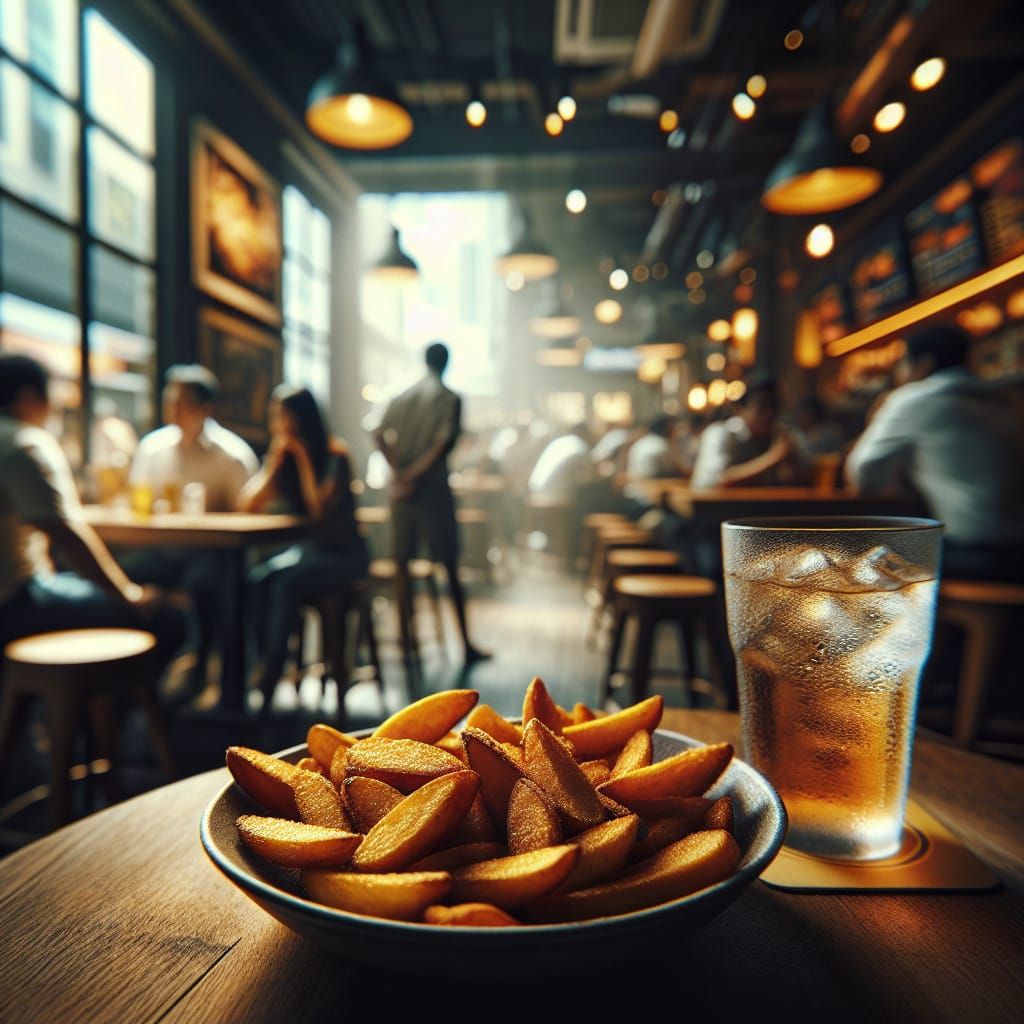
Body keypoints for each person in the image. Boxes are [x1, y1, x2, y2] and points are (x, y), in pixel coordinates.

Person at [0, 354, 186, 669]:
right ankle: (103, 699)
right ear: (29, 397)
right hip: (14, 601)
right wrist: (129, 595)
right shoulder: (24, 442)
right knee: (167, 617)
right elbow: (66, 535)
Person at [845, 326, 1024, 581]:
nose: (898, 373)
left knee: (865, 565)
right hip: (1017, 553)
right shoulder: (1007, 398)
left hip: (973, 555)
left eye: (902, 363)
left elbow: (863, 472)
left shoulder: (913, 398)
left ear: (924, 363)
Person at [122, 365, 258, 697]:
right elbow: (136, 499)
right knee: (119, 576)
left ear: (205, 408)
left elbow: (249, 516)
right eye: (169, 401)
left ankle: (212, 675)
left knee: (209, 582)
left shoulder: (232, 455)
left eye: (181, 403)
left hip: (210, 554)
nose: (173, 409)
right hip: (162, 551)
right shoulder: (152, 448)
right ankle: (130, 679)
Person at [239, 385, 370, 709]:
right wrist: (273, 464)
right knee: (258, 578)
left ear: (303, 418)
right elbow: (247, 505)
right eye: (275, 416)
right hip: (311, 553)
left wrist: (302, 458)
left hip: (345, 555)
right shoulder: (282, 460)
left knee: (285, 584)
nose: (279, 424)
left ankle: (271, 676)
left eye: (285, 416)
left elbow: (318, 510)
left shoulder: (336, 456)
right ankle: (260, 663)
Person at [373, 342, 488, 664]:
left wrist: (400, 471)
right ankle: (465, 644)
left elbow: (378, 433)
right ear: (446, 363)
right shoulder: (449, 398)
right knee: (449, 563)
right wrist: (414, 474)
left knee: (402, 564)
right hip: (433, 491)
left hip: (401, 492)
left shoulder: (400, 394)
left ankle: (406, 639)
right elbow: (441, 445)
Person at [690, 377, 798, 489]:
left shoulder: (777, 437)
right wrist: (774, 457)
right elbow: (715, 482)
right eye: (762, 406)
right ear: (740, 408)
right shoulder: (719, 433)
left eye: (774, 407)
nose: (769, 414)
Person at [527, 423, 592, 500]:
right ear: (585, 433)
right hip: (555, 495)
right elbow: (589, 477)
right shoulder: (579, 445)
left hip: (535, 491)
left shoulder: (559, 442)